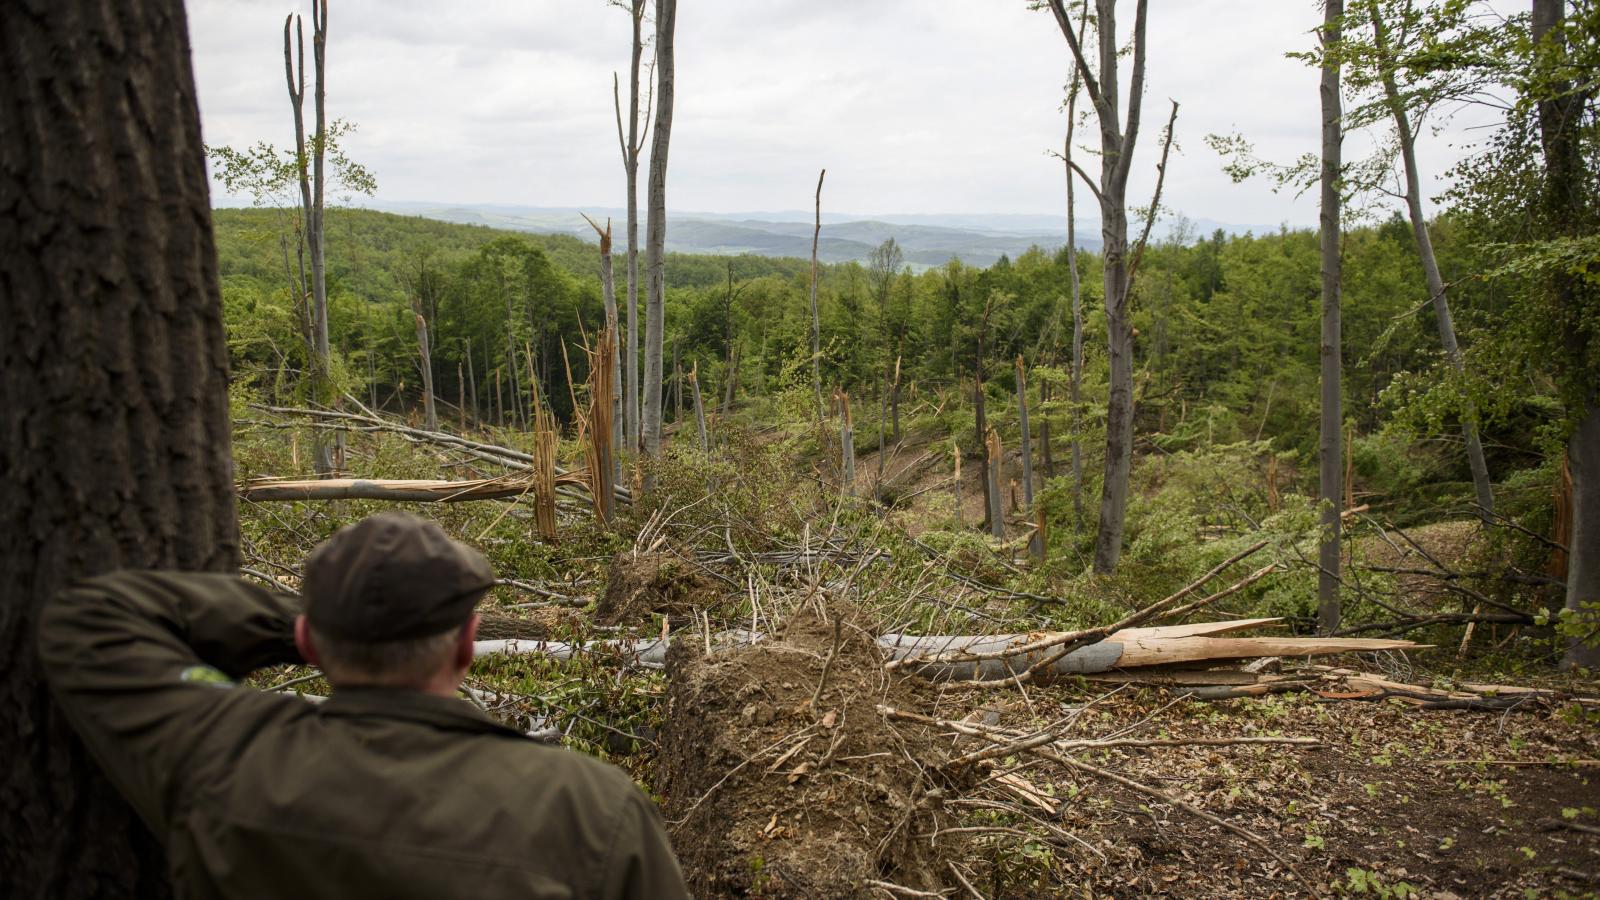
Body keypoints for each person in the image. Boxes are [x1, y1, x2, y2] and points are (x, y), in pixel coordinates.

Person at [38, 511, 688, 899]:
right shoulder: (590, 810)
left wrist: (317, 624)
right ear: (467, 643)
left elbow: (89, 619)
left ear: (306, 644)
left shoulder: (227, 759)